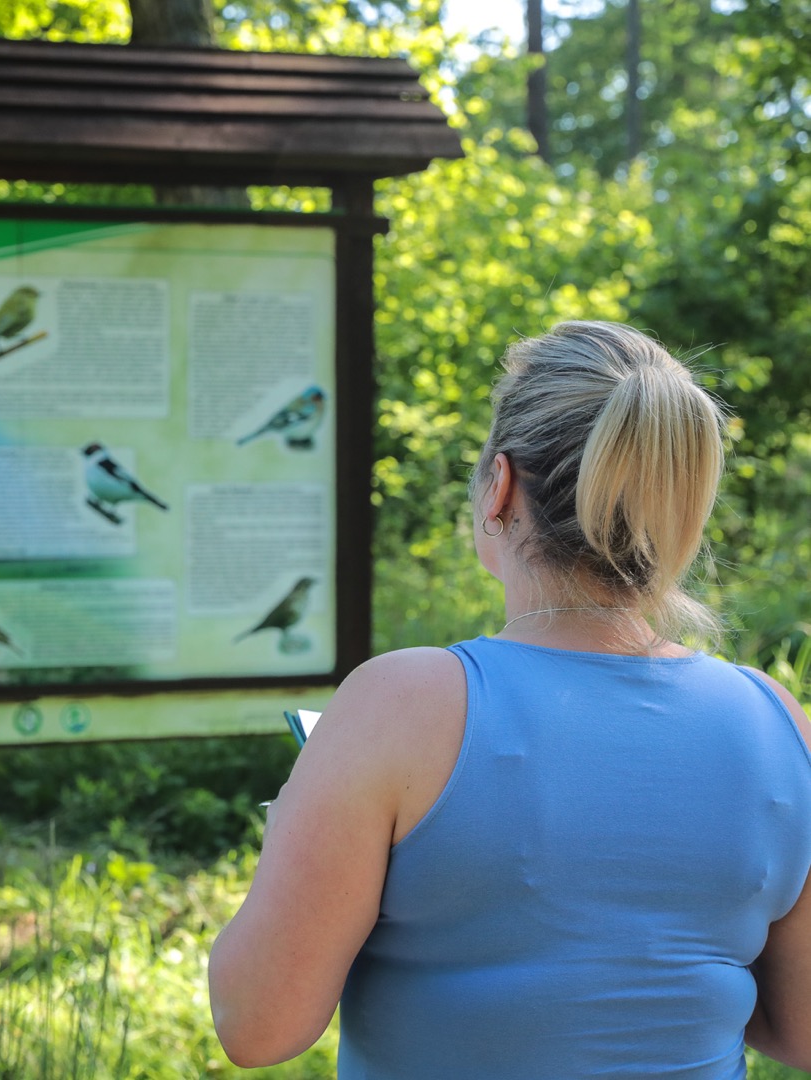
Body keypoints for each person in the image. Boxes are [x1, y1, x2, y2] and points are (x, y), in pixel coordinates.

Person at [209, 321, 811, 1077]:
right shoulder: (776, 721)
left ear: (500, 485)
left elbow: (256, 1026)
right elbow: (801, 1029)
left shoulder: (398, 706)